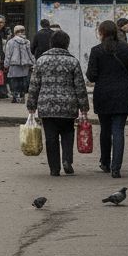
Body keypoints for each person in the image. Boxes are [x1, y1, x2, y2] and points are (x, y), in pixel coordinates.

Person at [26, 30, 88, 176]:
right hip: (69, 105)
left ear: (51, 43)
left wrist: (31, 106)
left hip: (47, 105)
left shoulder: (41, 60)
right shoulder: (73, 61)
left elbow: (34, 85)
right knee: (68, 133)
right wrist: (84, 107)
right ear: (67, 43)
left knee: (50, 137)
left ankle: (54, 168)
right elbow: (80, 86)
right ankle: (67, 160)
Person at [86, 19, 128, 179]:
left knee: (105, 129)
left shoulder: (96, 50)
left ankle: (105, 162)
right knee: (118, 130)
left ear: (101, 33)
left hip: (103, 94)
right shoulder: (126, 49)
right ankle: (116, 168)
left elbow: (92, 75)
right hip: (123, 94)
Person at [3, 25, 35, 104]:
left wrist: (6, 64)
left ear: (14, 32)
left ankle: (15, 96)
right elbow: (30, 53)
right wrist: (34, 62)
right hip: (25, 65)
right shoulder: (27, 41)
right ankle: (22, 96)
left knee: (14, 81)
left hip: (14, 64)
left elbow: (8, 54)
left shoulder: (11, 42)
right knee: (23, 81)